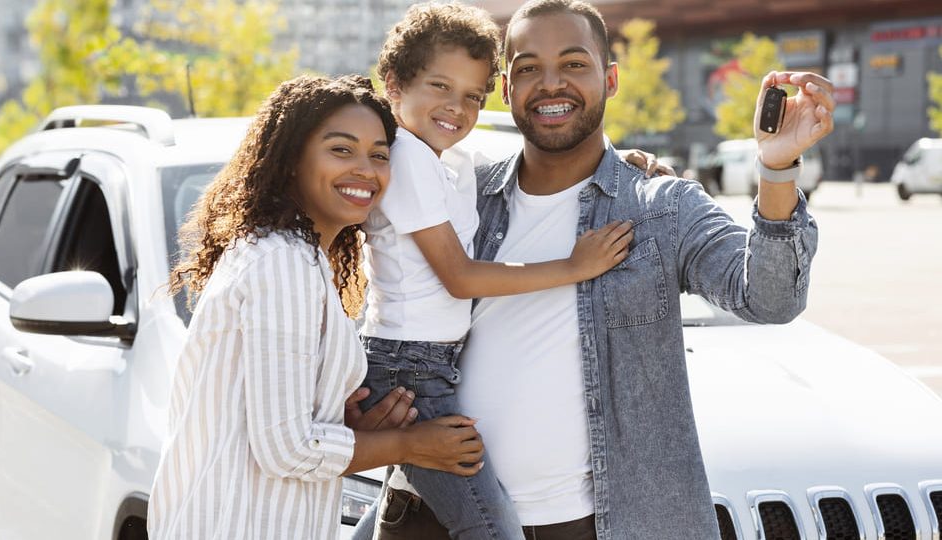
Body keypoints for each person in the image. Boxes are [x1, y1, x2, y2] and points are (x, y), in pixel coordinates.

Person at [375, 0, 834, 538]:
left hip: (581, 524)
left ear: (610, 79)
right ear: (506, 89)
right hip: (425, 511)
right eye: (527, 68)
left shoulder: (661, 207)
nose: (550, 84)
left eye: (573, 64)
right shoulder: (465, 190)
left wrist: (776, 168)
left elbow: (771, 299)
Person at [350, 3, 673, 538]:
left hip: (430, 366)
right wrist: (573, 266)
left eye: (472, 96)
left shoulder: (447, 160)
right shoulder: (406, 157)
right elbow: (460, 277)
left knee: (455, 505)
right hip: (409, 369)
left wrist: (621, 160)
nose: (456, 107)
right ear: (393, 84)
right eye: (439, 86)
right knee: (489, 525)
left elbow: (546, 164)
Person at [147, 75, 488, 540]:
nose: (366, 170)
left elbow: (267, 422)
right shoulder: (281, 263)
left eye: (380, 155)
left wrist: (350, 427)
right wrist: (411, 445)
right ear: (291, 162)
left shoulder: (302, 260)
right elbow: (286, 450)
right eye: (341, 150)